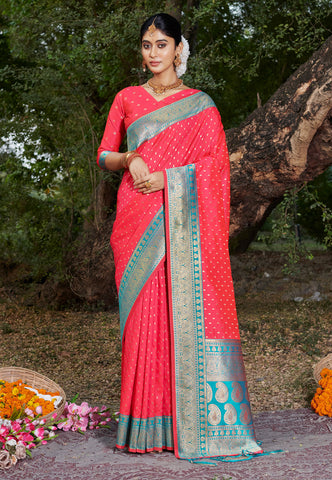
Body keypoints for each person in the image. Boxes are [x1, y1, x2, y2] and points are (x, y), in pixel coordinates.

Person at [97, 12, 263, 461]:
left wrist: (169, 178)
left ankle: (196, 424)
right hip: (135, 220)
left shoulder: (201, 104)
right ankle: (145, 428)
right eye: (147, 45)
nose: (154, 54)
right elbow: (105, 153)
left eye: (162, 45)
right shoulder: (127, 98)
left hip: (183, 220)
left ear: (178, 49)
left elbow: (217, 168)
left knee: (184, 313)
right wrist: (130, 158)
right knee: (142, 321)